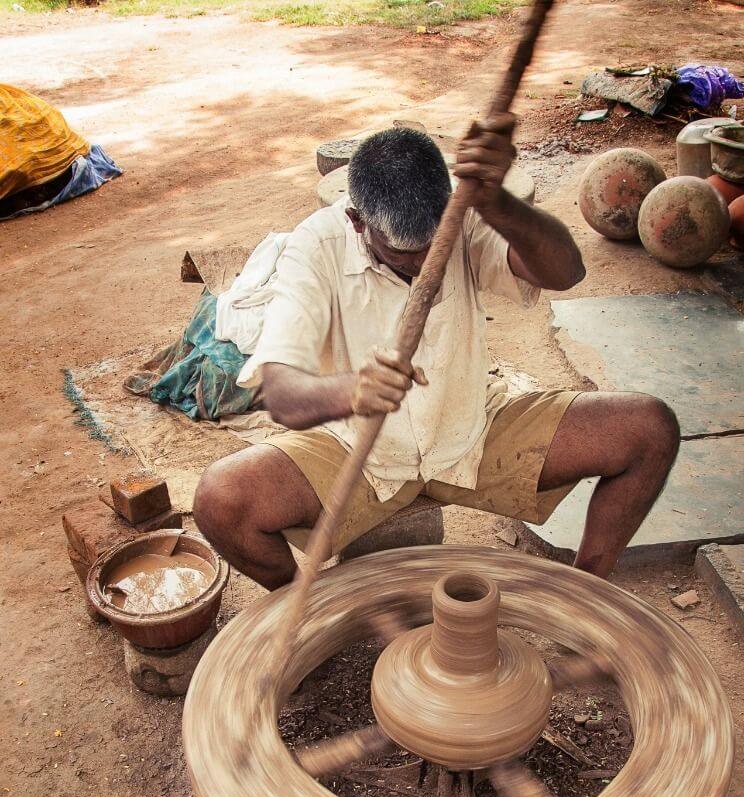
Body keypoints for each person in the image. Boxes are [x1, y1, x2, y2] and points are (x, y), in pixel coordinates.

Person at [194, 117, 679, 588]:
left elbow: (566, 272)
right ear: (358, 221)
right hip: (356, 451)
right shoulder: (315, 245)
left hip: (471, 429)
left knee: (647, 428)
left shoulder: (464, 212)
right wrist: (351, 390)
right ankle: (310, 608)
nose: (423, 262)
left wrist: (500, 204)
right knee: (222, 498)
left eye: (432, 246)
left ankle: (588, 593)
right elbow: (281, 394)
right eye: (401, 253)